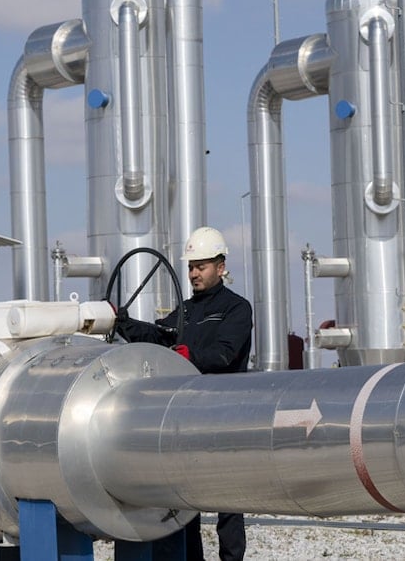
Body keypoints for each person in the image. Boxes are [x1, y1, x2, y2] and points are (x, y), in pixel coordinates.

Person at [114, 226, 252, 561]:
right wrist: (122, 322)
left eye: (200, 266)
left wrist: (189, 355)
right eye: (190, 266)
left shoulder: (237, 309)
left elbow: (225, 354)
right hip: (184, 417)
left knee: (227, 502)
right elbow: (159, 336)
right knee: (181, 499)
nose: (193, 273)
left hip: (223, 413)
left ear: (220, 267)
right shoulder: (186, 311)